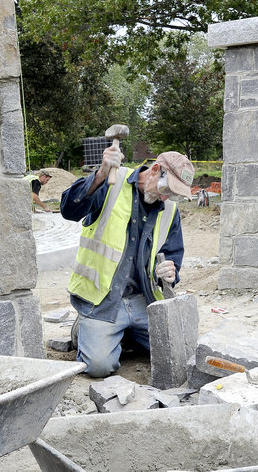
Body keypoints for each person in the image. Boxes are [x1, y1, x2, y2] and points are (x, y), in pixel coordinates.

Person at [60, 145, 195, 377]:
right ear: (155, 170)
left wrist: (171, 271)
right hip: (102, 300)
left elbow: (173, 255)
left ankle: (127, 333)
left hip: (143, 300)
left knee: (180, 351)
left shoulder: (169, 209)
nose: (166, 198)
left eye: (173, 194)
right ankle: (85, 328)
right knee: (99, 366)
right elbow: (68, 209)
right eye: (166, 189)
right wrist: (100, 175)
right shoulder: (112, 182)